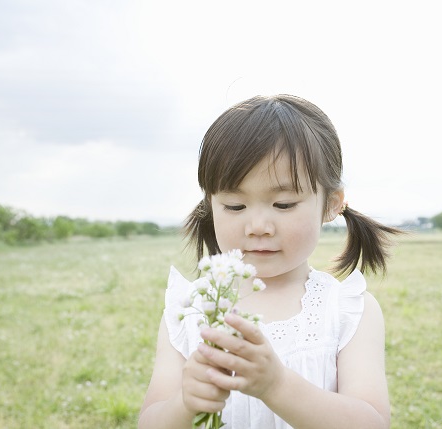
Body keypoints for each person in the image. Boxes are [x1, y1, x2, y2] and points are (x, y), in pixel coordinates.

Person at [139, 94, 401, 429]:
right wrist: (185, 402)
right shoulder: (192, 307)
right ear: (211, 204)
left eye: (284, 204)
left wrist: (277, 385)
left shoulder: (347, 311)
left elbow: (372, 422)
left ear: (331, 204)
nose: (258, 227)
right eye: (235, 206)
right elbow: (150, 421)